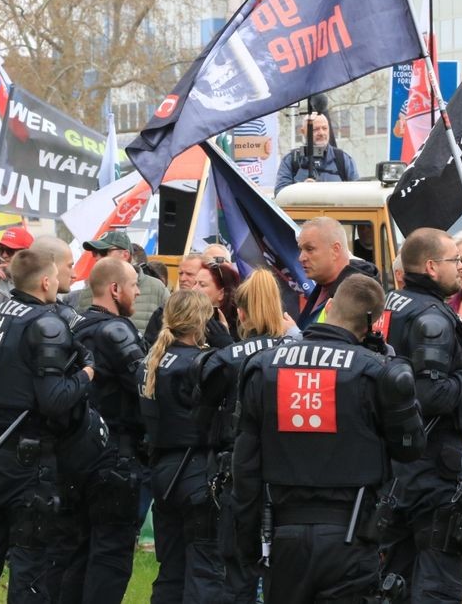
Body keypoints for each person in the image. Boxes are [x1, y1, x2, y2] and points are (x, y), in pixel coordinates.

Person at [232, 274, 426, 602]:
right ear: (374, 323)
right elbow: (410, 448)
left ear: (330, 306)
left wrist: (243, 540)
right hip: (351, 534)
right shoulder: (377, 372)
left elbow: (245, 464)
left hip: (283, 533)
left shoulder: (263, 367)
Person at [0, 247, 98, 604]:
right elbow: (54, 399)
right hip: (28, 459)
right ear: (46, 281)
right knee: (31, 561)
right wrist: (87, 373)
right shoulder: (45, 324)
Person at [377, 229, 462, 603]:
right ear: (431, 266)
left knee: (396, 580)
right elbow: (432, 395)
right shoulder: (432, 317)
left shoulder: (391, 304)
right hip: (432, 467)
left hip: (396, 462)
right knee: (438, 583)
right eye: (455, 262)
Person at [195, 269, 298, 602]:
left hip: (238, 478)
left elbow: (203, 421)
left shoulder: (223, 360)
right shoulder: (300, 355)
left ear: (240, 313)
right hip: (291, 480)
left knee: (238, 570)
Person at [60, 257, 147, 603]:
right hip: (114, 458)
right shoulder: (118, 331)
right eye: (133, 284)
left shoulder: (73, 327)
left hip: (75, 454)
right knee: (111, 553)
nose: (138, 291)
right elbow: (145, 385)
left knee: (77, 549)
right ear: (115, 289)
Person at [141, 289, 227, 602]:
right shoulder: (203, 364)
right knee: (205, 568)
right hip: (198, 473)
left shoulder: (151, 361)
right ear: (203, 322)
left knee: (172, 569)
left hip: (163, 473)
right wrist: (227, 346)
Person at [71, 230, 169, 334]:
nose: (97, 257)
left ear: (125, 255)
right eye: (94, 253)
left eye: (103, 252)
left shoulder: (157, 288)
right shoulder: (89, 291)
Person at [296, 217, 378, 328]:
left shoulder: (356, 298)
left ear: (335, 250)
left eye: (309, 249)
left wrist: (293, 334)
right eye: (301, 249)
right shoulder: (324, 286)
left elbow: (341, 343)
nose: (301, 258)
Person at [274, 113, 360, 194]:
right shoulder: (291, 160)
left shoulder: (343, 159)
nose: (321, 133)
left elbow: (358, 193)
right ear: (303, 131)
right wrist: (301, 190)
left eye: (325, 128)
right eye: (315, 129)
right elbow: (279, 193)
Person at [0, 226, 34, 294]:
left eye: (10, 250)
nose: (4, 255)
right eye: (1, 250)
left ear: (26, 254)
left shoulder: (37, 283)